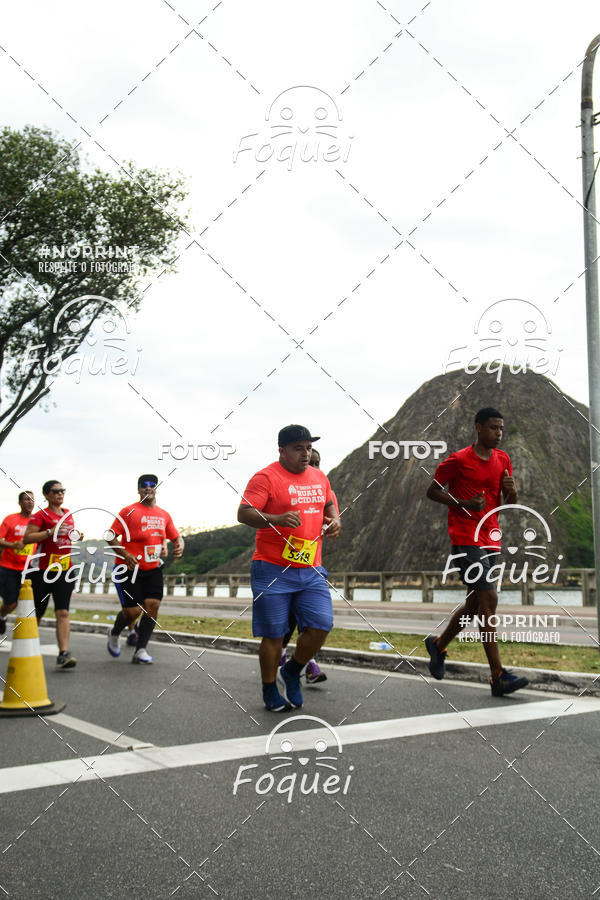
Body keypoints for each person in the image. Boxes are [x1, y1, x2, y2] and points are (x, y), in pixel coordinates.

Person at [425, 407, 528, 697]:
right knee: (489, 598)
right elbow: (432, 490)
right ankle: (498, 676)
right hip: (464, 536)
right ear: (478, 428)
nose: (498, 433)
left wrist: (514, 490)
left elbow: (509, 500)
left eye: (501, 429)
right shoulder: (459, 459)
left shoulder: (503, 459)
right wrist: (462, 503)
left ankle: (438, 644)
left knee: (475, 604)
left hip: (491, 537)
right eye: (494, 428)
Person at [238, 425, 341, 712]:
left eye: (308, 447)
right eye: (298, 448)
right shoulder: (266, 477)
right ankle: (270, 688)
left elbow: (329, 503)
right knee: (274, 634)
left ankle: (292, 671)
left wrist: (335, 521)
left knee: (321, 625)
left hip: (310, 569)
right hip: (272, 568)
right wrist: (277, 518)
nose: (305, 453)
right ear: (282, 450)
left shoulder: (319, 477)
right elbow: (244, 513)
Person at [106, 475, 183, 664]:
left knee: (152, 607)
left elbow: (176, 537)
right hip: (128, 569)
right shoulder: (128, 511)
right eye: (144, 486)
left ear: (156, 489)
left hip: (153, 568)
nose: (148, 488)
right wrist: (125, 554)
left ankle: (140, 650)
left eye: (152, 485)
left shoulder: (163, 514)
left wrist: (180, 545)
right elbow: (110, 535)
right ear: (138, 489)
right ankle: (115, 632)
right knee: (133, 613)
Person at [280, 448, 339, 684]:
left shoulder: (325, 490)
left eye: (317, 463)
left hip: (311, 569)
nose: (313, 467)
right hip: (281, 569)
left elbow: (335, 519)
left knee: (315, 622)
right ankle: (282, 655)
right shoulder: (286, 486)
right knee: (287, 624)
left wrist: (334, 524)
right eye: (310, 463)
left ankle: (309, 665)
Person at [24, 481, 79, 668]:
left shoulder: (69, 514)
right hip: (42, 571)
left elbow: (68, 535)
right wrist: (50, 531)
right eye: (55, 491)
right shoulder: (40, 516)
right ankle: (27, 649)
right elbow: (27, 538)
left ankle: (63, 654)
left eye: (62, 490)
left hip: (64, 570)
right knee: (37, 612)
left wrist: (77, 536)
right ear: (46, 495)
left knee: (63, 611)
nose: (60, 494)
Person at [0, 491, 37, 635]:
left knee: (26, 602)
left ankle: (24, 631)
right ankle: (2, 616)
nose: (30, 502)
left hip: (29, 569)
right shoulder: (11, 519)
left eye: (32, 500)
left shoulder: (37, 521)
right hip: (8, 567)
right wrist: (12, 545)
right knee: (11, 603)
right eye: (27, 499)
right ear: (20, 503)